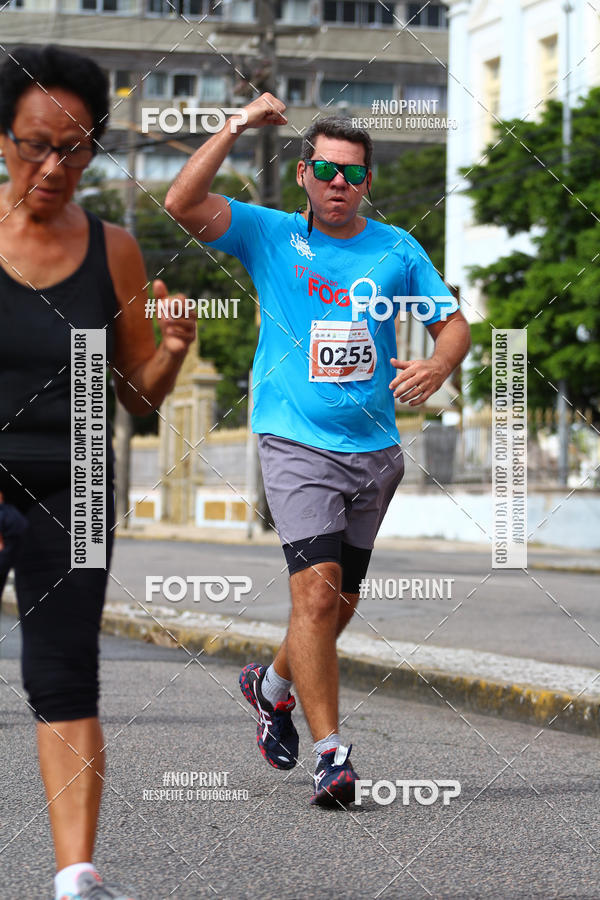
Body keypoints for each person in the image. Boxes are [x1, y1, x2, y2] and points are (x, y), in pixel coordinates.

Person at [165, 94, 471, 807]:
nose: (340, 183)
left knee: (340, 604)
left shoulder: (397, 248)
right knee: (317, 591)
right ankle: (332, 754)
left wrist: (439, 364)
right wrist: (239, 124)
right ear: (304, 172)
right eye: (327, 170)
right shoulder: (269, 234)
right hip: (296, 441)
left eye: (354, 174)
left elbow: (453, 323)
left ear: (368, 183)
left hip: (374, 451)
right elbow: (182, 201)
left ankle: (272, 686)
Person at [0, 45, 196, 897]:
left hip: (75, 482)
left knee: (66, 672)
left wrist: (177, 351)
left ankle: (76, 876)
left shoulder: (113, 250)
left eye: (75, 148)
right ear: (4, 139)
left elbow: (138, 398)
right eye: (37, 143)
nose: (55, 165)